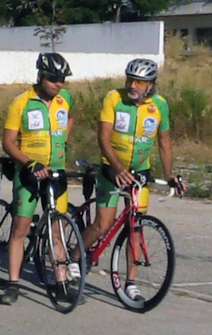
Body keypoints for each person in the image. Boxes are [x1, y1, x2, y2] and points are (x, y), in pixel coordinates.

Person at [78, 59, 187, 302]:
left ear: (151, 85)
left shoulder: (159, 105)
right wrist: (116, 168)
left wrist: (169, 173)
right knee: (102, 225)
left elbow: (165, 142)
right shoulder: (114, 99)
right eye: (129, 79)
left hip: (139, 174)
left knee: (135, 228)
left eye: (139, 81)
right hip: (112, 170)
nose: (132, 85)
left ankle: (131, 283)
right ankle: (76, 255)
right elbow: (103, 138)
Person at [0, 53, 77, 306]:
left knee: (58, 228)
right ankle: (13, 283)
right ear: (40, 76)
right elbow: (8, 142)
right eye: (53, 79)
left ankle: (62, 281)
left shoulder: (65, 100)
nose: (58, 84)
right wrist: (29, 162)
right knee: (20, 228)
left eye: (62, 79)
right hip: (29, 173)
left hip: (56, 172)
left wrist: (63, 139)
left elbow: (72, 116)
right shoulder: (21, 103)